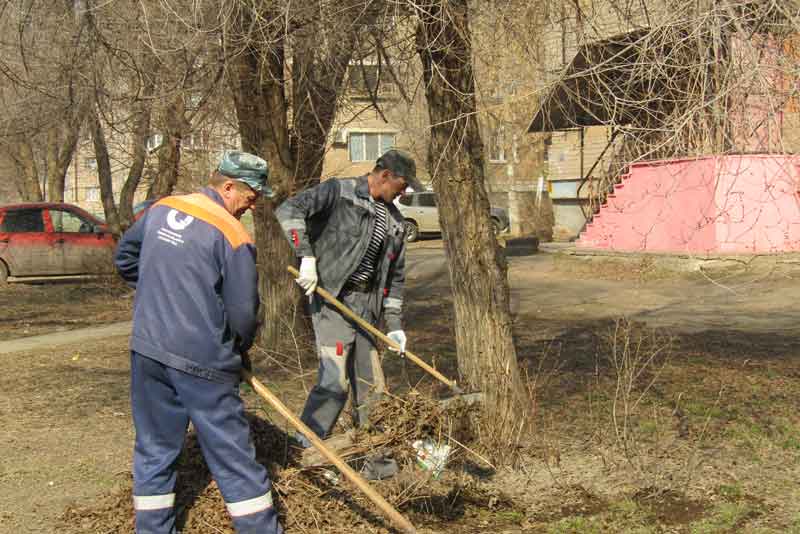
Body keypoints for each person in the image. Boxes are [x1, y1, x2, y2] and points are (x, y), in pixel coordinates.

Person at [114, 151, 283, 534]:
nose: (251, 206)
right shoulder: (234, 236)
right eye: (250, 196)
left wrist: (161, 291)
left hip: (148, 349)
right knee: (234, 457)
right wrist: (238, 350)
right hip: (202, 361)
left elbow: (125, 258)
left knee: (155, 449)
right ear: (227, 185)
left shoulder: (161, 208)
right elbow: (243, 313)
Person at [275, 149, 421, 477]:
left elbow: (395, 278)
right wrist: (306, 256)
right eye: (402, 184)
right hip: (332, 303)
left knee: (373, 390)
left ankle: (380, 471)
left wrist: (394, 325)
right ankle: (304, 454)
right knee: (334, 382)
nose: (404, 191)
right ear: (385, 175)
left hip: (367, 312)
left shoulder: (396, 223)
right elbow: (289, 209)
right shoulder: (338, 193)